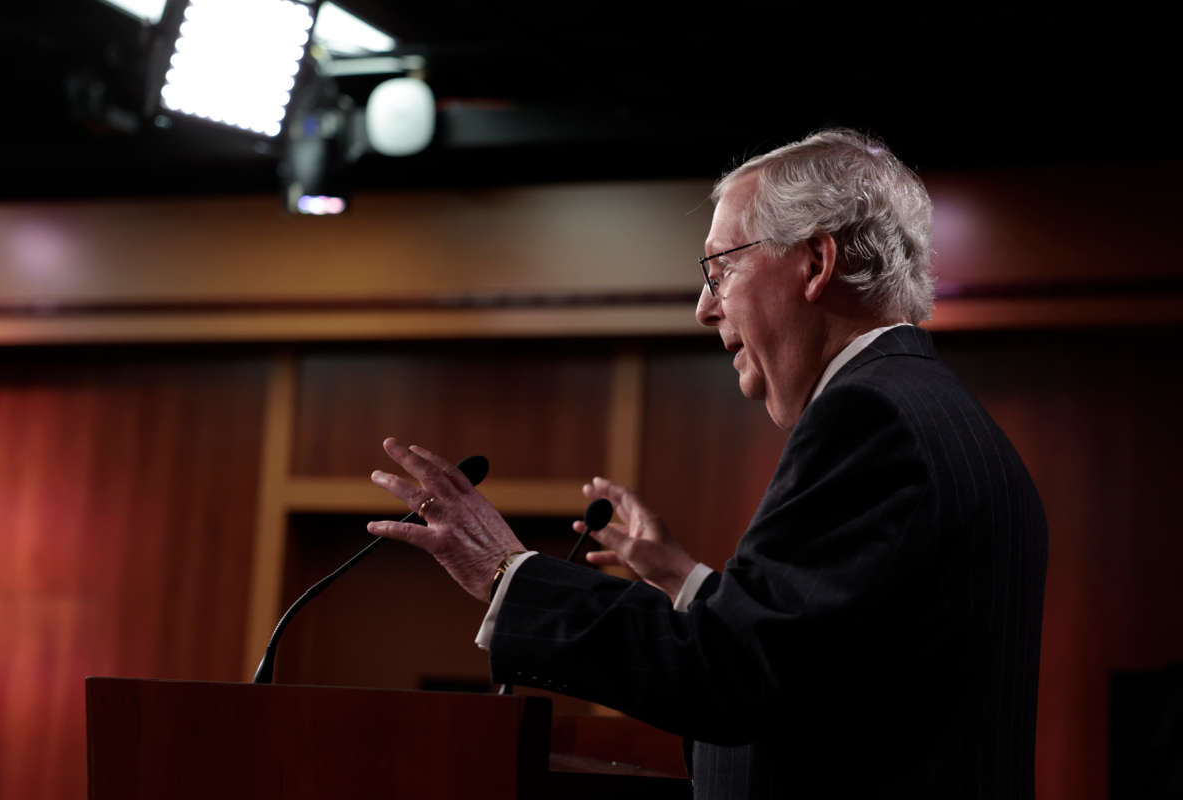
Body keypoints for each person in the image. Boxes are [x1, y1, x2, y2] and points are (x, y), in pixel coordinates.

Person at [367, 129, 1048, 799]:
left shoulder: (871, 420)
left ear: (815, 262)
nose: (703, 308)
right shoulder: (945, 418)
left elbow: (733, 676)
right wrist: (689, 585)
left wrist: (507, 573)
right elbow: (814, 664)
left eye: (722, 269)